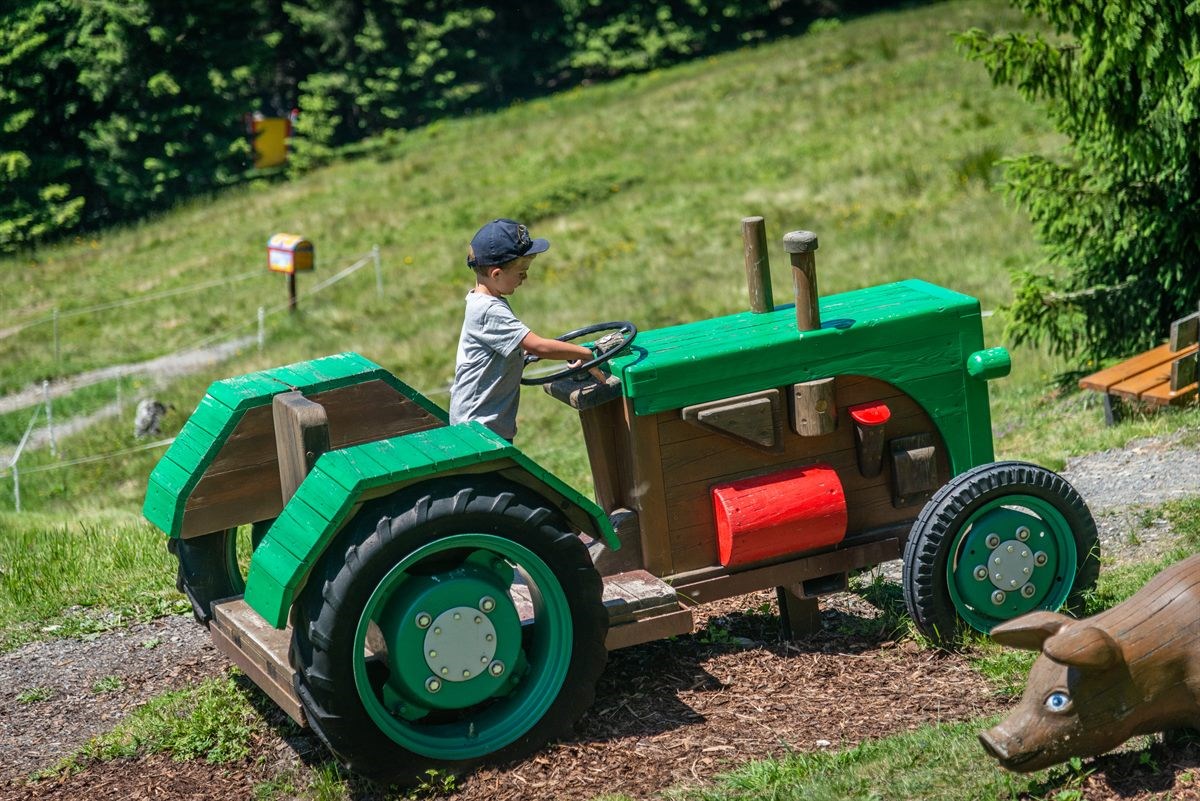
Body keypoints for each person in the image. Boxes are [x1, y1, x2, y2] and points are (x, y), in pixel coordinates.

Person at [448, 218, 598, 441]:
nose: (525, 278)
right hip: (479, 429)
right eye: (521, 272)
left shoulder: (486, 300)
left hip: (484, 425)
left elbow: (512, 347)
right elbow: (538, 345)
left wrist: (524, 354)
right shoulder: (488, 310)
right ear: (496, 274)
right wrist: (585, 354)